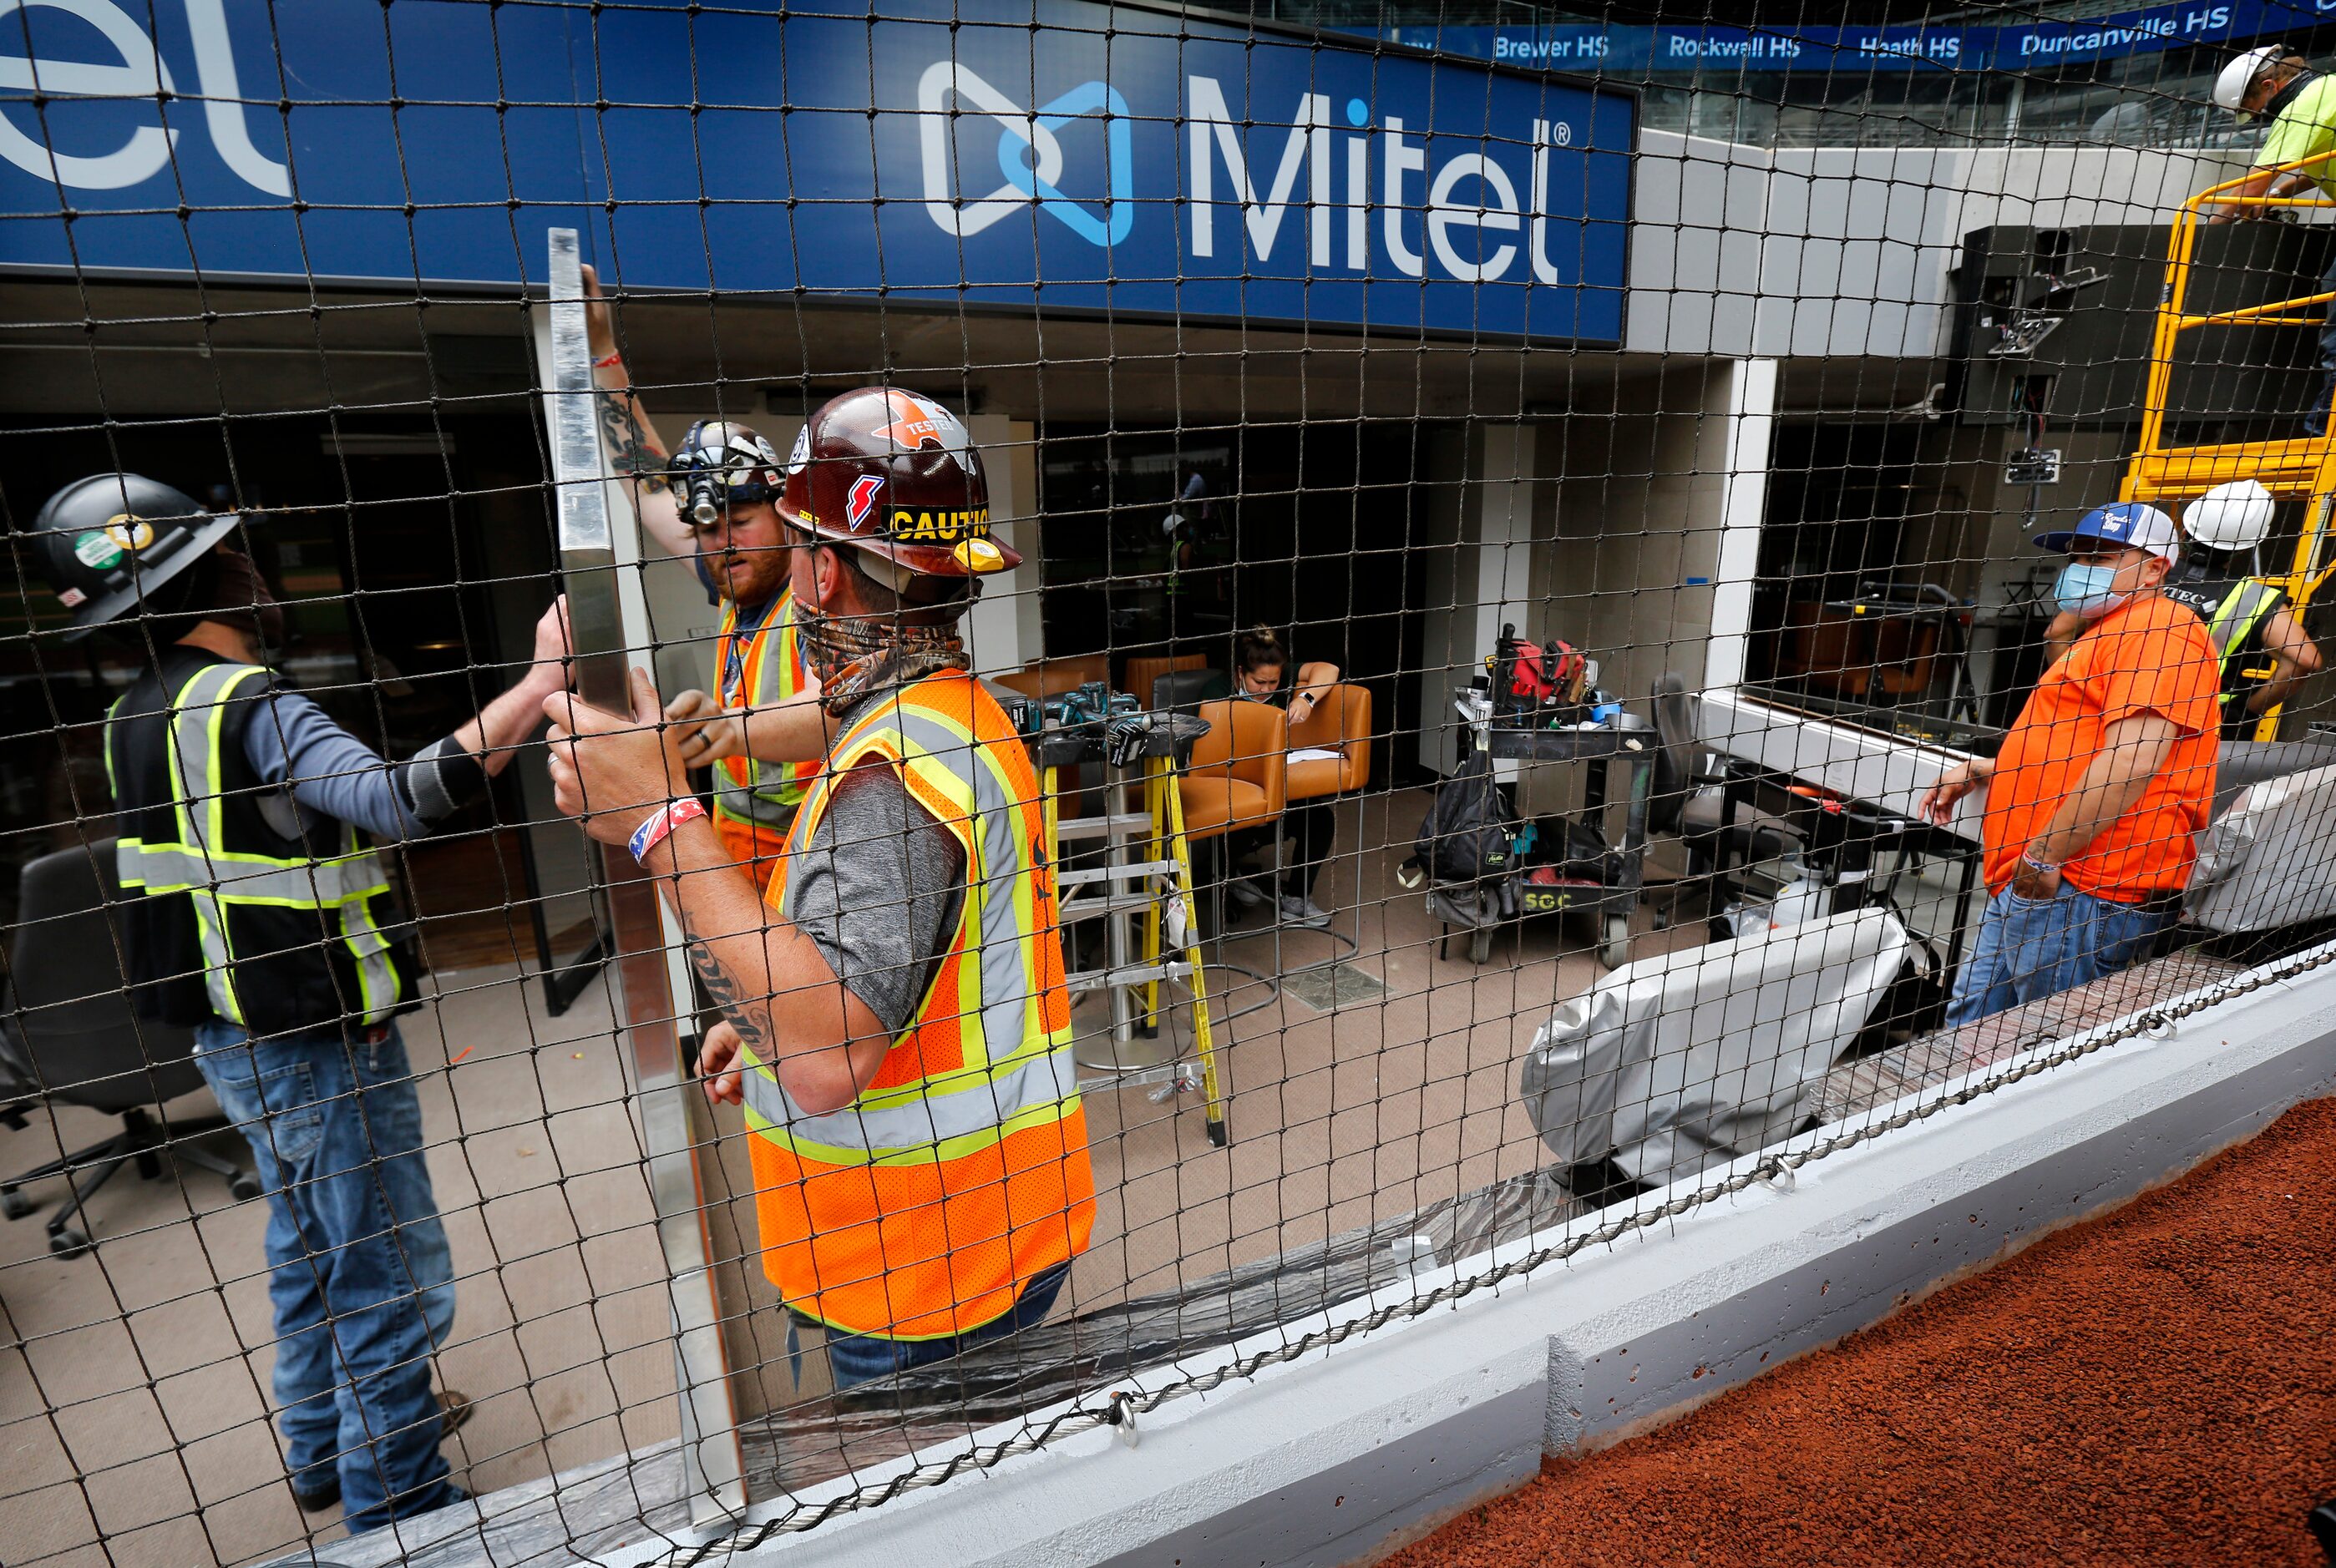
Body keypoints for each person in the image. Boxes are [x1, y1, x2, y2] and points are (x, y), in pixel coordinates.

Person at [21, 474, 572, 1530]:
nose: (261, 571)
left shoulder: (134, 714)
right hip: (320, 1041)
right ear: (219, 573)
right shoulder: (255, 703)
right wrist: (541, 682)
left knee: (307, 1248)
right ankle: (399, 1501)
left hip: (234, 1043)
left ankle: (319, 1450)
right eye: (243, 555)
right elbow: (398, 801)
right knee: (389, 1275)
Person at [541, 387, 1092, 1388]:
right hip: (992, 1225)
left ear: (824, 570)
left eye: (791, 537)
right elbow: (908, 967)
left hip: (919, 1276)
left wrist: (662, 820)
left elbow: (829, 1058)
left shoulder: (891, 773)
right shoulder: (953, 713)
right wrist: (763, 1014)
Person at [1918, 503, 2220, 1026]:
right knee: (1968, 1039)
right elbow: (2082, 744)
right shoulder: (2111, 629)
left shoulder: (2159, 630)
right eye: (2078, 556)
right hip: (2045, 885)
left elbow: (2133, 760)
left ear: (2155, 567)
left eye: (2100, 558)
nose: (2080, 569)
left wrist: (2040, 863)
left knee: (2039, 1053)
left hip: (2079, 891)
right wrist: (1992, 769)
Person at [580, 265, 823, 889]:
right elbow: (643, 479)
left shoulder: (819, 593)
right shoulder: (728, 572)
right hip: (738, 854)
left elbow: (836, 709)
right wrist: (600, 349)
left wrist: (725, 730)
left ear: (783, 513)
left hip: (812, 859)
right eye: (708, 528)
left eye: (740, 520)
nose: (723, 543)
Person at [2046, 479, 2322, 739]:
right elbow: (2305, 660)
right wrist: (2246, 711)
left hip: (2110, 711)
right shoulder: (2254, 598)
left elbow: (2057, 632)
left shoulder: (2139, 570)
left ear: (2185, 529)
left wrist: (2078, 693)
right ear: (2249, 546)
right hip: (2198, 723)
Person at [2206, 46, 2336, 433]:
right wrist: (2283, 191)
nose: (2265, 117)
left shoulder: (2303, 103)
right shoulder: (2327, 91)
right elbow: (2318, 164)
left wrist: (2206, 232)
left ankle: (2324, 431)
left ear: (2269, 84)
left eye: (2260, 107)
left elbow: (2253, 181)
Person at [1223, 625, 1343, 928]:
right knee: (1220, 837)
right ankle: (1226, 878)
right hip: (1234, 796)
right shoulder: (1216, 690)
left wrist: (1306, 699)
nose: (1266, 689)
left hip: (1278, 791)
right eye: (1258, 682)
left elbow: (1329, 669)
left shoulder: (1282, 679)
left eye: (1273, 682)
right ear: (1240, 673)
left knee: (1320, 820)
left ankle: (1297, 898)